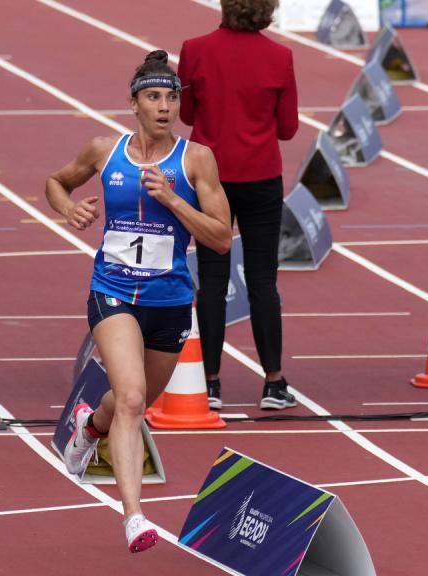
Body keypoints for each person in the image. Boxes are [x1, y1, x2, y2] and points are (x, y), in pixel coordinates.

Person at [45, 50, 231, 553]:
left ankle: (91, 424)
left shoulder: (196, 160)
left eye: (172, 98)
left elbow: (220, 238)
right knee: (130, 399)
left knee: (133, 402)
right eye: (154, 97)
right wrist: (68, 209)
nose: (165, 107)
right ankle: (134, 517)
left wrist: (173, 200)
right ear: (134, 103)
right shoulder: (106, 151)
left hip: (169, 300)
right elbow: (56, 182)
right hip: (113, 291)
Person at [178, 0, 299, 411]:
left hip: (210, 175)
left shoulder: (194, 49)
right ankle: (274, 383)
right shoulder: (280, 56)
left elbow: (187, 113)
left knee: (212, 279)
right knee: (264, 280)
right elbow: (287, 129)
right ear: (269, 10)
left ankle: (209, 383)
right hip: (261, 177)